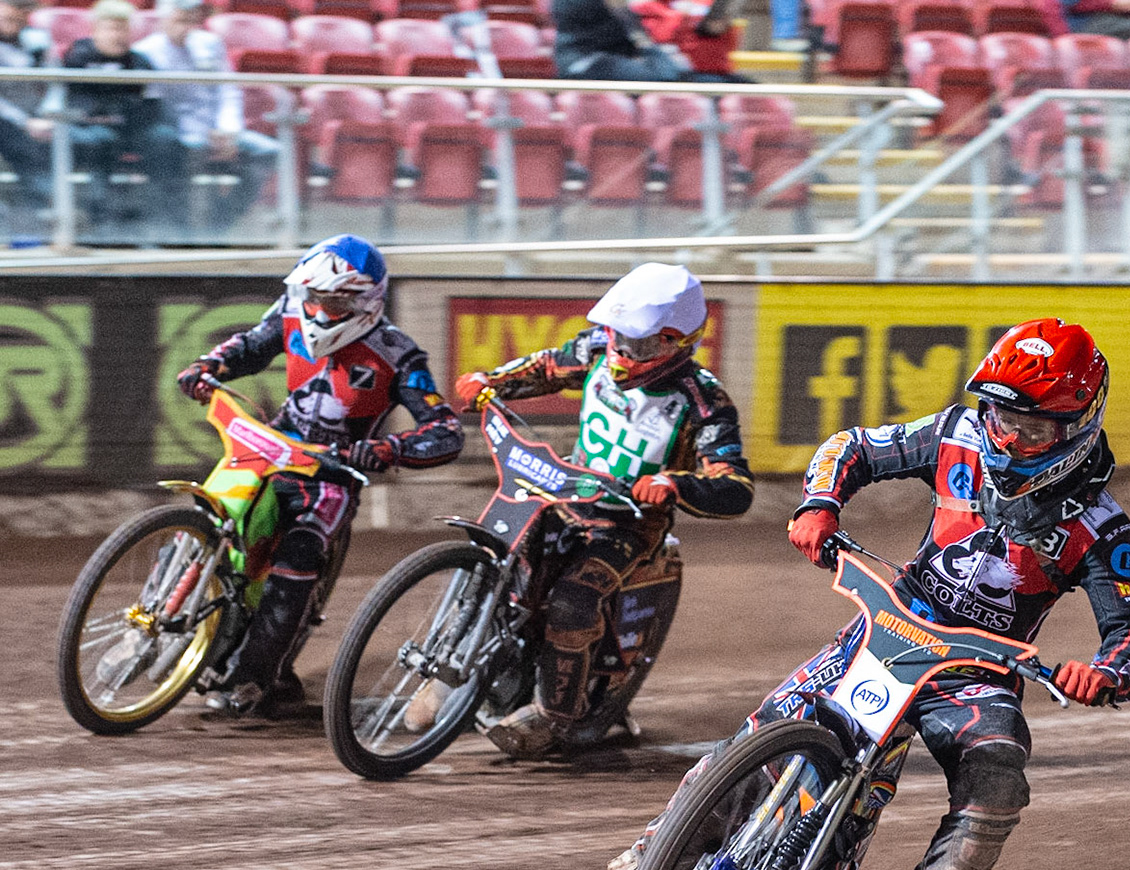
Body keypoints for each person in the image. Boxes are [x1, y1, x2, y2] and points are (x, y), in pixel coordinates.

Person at [579, 319, 1130, 870]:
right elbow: (850, 447)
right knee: (765, 728)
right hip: (893, 620)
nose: (1009, 437)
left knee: (998, 778)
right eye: (1002, 416)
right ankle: (646, 860)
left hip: (975, 672)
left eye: (1033, 429)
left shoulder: (1098, 525)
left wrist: (1106, 671)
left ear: (1079, 427)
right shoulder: (955, 434)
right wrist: (820, 503)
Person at [454, 262, 754, 758]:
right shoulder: (596, 348)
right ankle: (455, 667)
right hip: (564, 490)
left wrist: (672, 483)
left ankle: (555, 716)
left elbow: (735, 486)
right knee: (493, 554)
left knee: (573, 600)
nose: (621, 354)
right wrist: (492, 381)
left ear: (676, 343)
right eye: (619, 338)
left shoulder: (704, 402)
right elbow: (548, 366)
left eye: (639, 346)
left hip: (629, 524)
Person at [175, 235, 464, 716]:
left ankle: (254, 678)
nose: (318, 309)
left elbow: (446, 431)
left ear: (365, 300)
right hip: (271, 450)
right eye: (313, 296)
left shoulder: (398, 354)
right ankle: (176, 607)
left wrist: (387, 449)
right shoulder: (289, 312)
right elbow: (250, 347)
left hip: (332, 478)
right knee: (213, 516)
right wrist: (209, 366)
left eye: (332, 300)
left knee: (297, 562)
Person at [43, 0, 190, 235]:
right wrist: (102, 115)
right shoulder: (77, 58)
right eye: (111, 28)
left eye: (123, 28)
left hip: (132, 128)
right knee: (100, 140)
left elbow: (153, 104)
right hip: (89, 129)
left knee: (166, 138)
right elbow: (71, 101)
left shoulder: (139, 61)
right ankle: (100, 221)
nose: (118, 35)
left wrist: (127, 115)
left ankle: (162, 219)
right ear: (96, 30)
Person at [133, 0, 278, 235]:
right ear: (163, 20)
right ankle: (182, 232)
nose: (188, 27)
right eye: (181, 20)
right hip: (182, 133)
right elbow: (158, 108)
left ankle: (220, 222)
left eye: (192, 20)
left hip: (221, 131)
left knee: (268, 151)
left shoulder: (210, 44)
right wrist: (204, 134)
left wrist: (227, 130)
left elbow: (228, 90)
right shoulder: (145, 52)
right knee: (186, 150)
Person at [552, 0, 691, 82]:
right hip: (584, 60)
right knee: (661, 76)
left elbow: (632, 35)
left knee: (688, 73)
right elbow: (632, 33)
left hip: (614, 56)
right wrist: (655, 54)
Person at [0, 0, 53, 202]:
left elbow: (56, 81)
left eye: (21, 8)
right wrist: (25, 121)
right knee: (19, 142)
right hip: (9, 121)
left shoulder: (36, 41)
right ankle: (42, 207)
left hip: (38, 117)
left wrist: (47, 115)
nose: (14, 13)